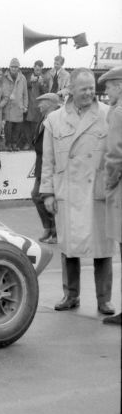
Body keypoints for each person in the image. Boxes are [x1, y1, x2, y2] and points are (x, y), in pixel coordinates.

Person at [40, 68, 115, 315]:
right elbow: (47, 162)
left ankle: (104, 299)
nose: (89, 92)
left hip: (98, 192)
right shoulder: (54, 120)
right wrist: (48, 193)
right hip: (68, 193)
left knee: (102, 249)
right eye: (83, 88)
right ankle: (70, 295)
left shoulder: (108, 114)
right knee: (68, 247)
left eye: (92, 87)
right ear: (71, 89)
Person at [99, 66, 122, 324]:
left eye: (108, 87)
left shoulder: (117, 113)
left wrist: (108, 186)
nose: (106, 92)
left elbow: (115, 156)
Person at [31, 93, 60, 243]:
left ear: (50, 103)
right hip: (41, 163)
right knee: (36, 196)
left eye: (41, 102)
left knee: (46, 197)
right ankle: (48, 227)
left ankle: (55, 231)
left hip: (50, 164)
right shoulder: (43, 118)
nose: (39, 105)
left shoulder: (57, 118)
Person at [1, 58, 28, 151]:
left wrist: (25, 105)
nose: (14, 68)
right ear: (9, 67)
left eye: (16, 67)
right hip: (8, 106)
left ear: (18, 67)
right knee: (8, 127)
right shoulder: (4, 77)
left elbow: (25, 94)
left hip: (19, 106)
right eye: (12, 66)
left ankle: (14, 144)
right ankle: (8, 144)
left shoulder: (23, 78)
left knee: (17, 128)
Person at [25, 60, 51, 149]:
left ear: (41, 69)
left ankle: (36, 144)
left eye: (39, 69)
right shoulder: (28, 76)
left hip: (39, 107)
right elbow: (24, 87)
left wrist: (42, 84)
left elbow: (47, 92)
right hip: (29, 105)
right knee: (27, 127)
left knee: (38, 126)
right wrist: (30, 81)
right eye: (36, 69)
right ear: (34, 67)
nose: (37, 70)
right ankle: (29, 143)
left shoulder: (44, 78)